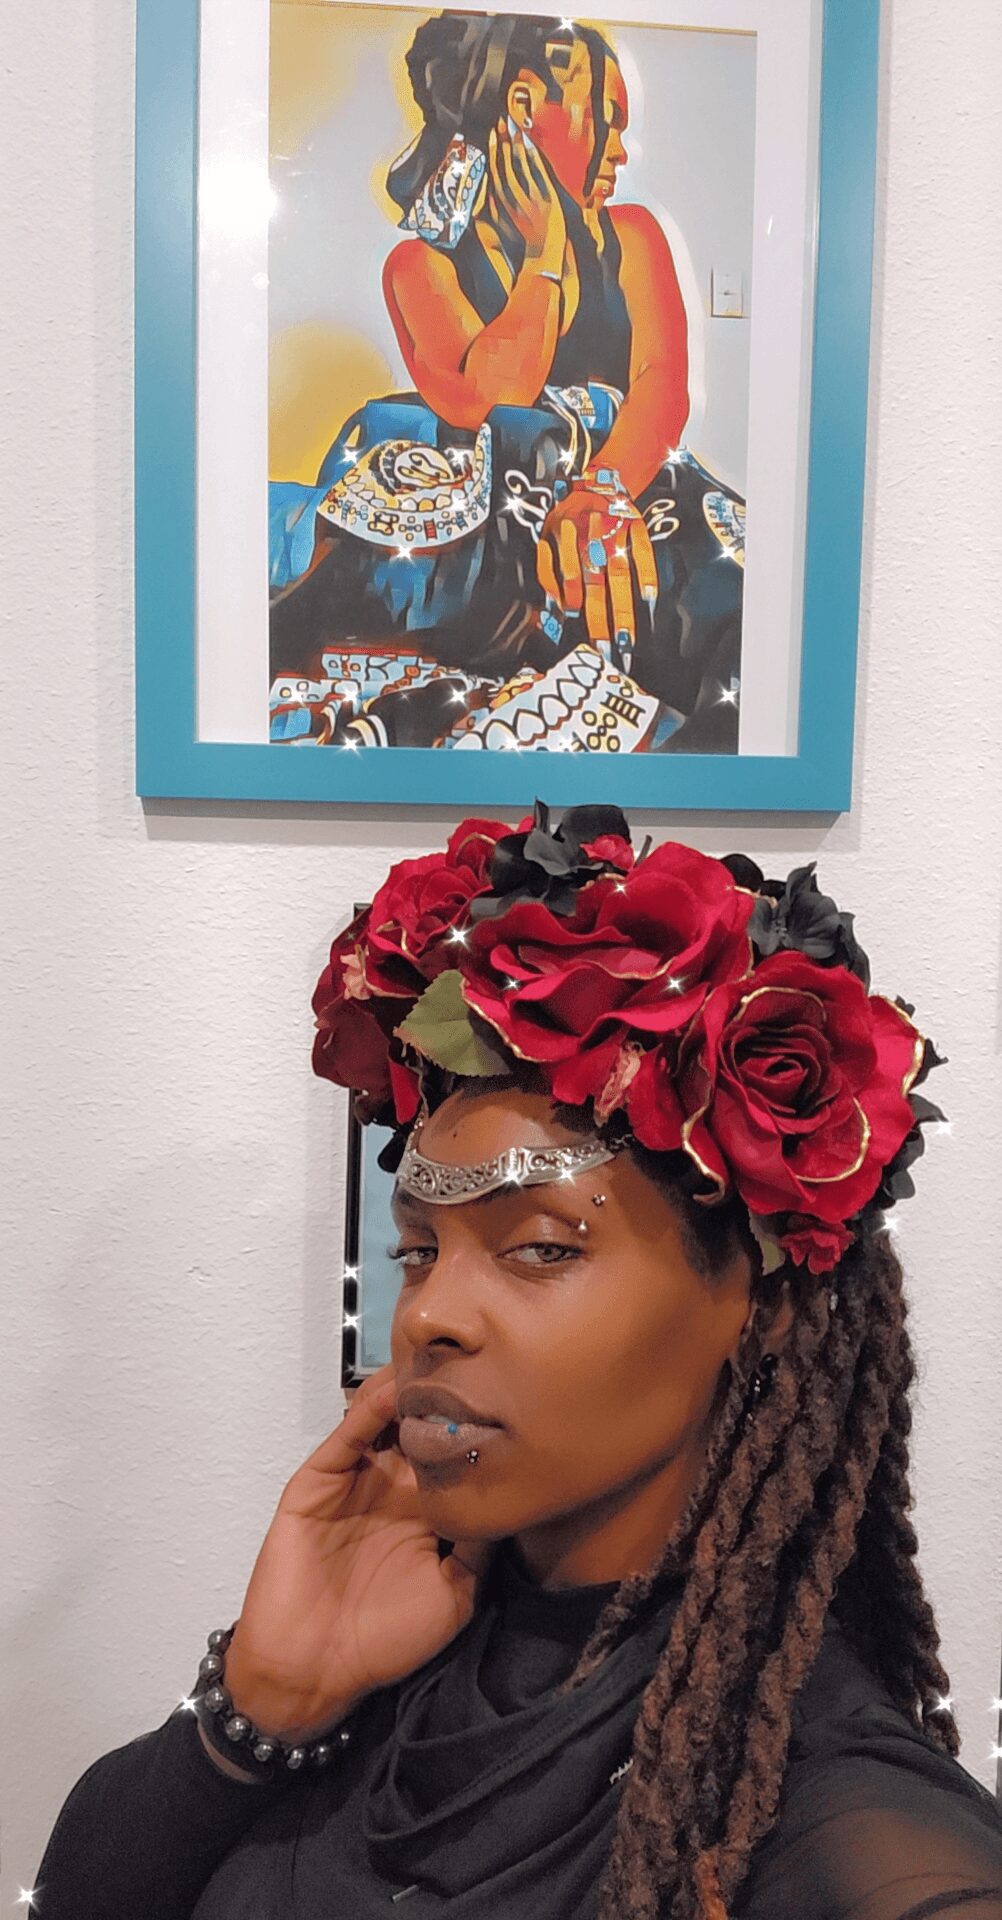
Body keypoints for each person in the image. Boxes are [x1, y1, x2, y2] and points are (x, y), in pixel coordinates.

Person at [32, 804, 1002, 1919]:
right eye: (418, 1252)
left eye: (540, 1247)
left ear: (764, 1306)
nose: (428, 1317)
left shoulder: (839, 1816)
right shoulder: (389, 1643)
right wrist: (257, 1710)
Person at [268, 15, 745, 753]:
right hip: (495, 523)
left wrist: (602, 492)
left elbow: (663, 388)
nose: (621, 149)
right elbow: (494, 397)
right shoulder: (419, 267)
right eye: (606, 119)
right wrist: (544, 254)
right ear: (522, 106)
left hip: (628, 489)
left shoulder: (632, 237)